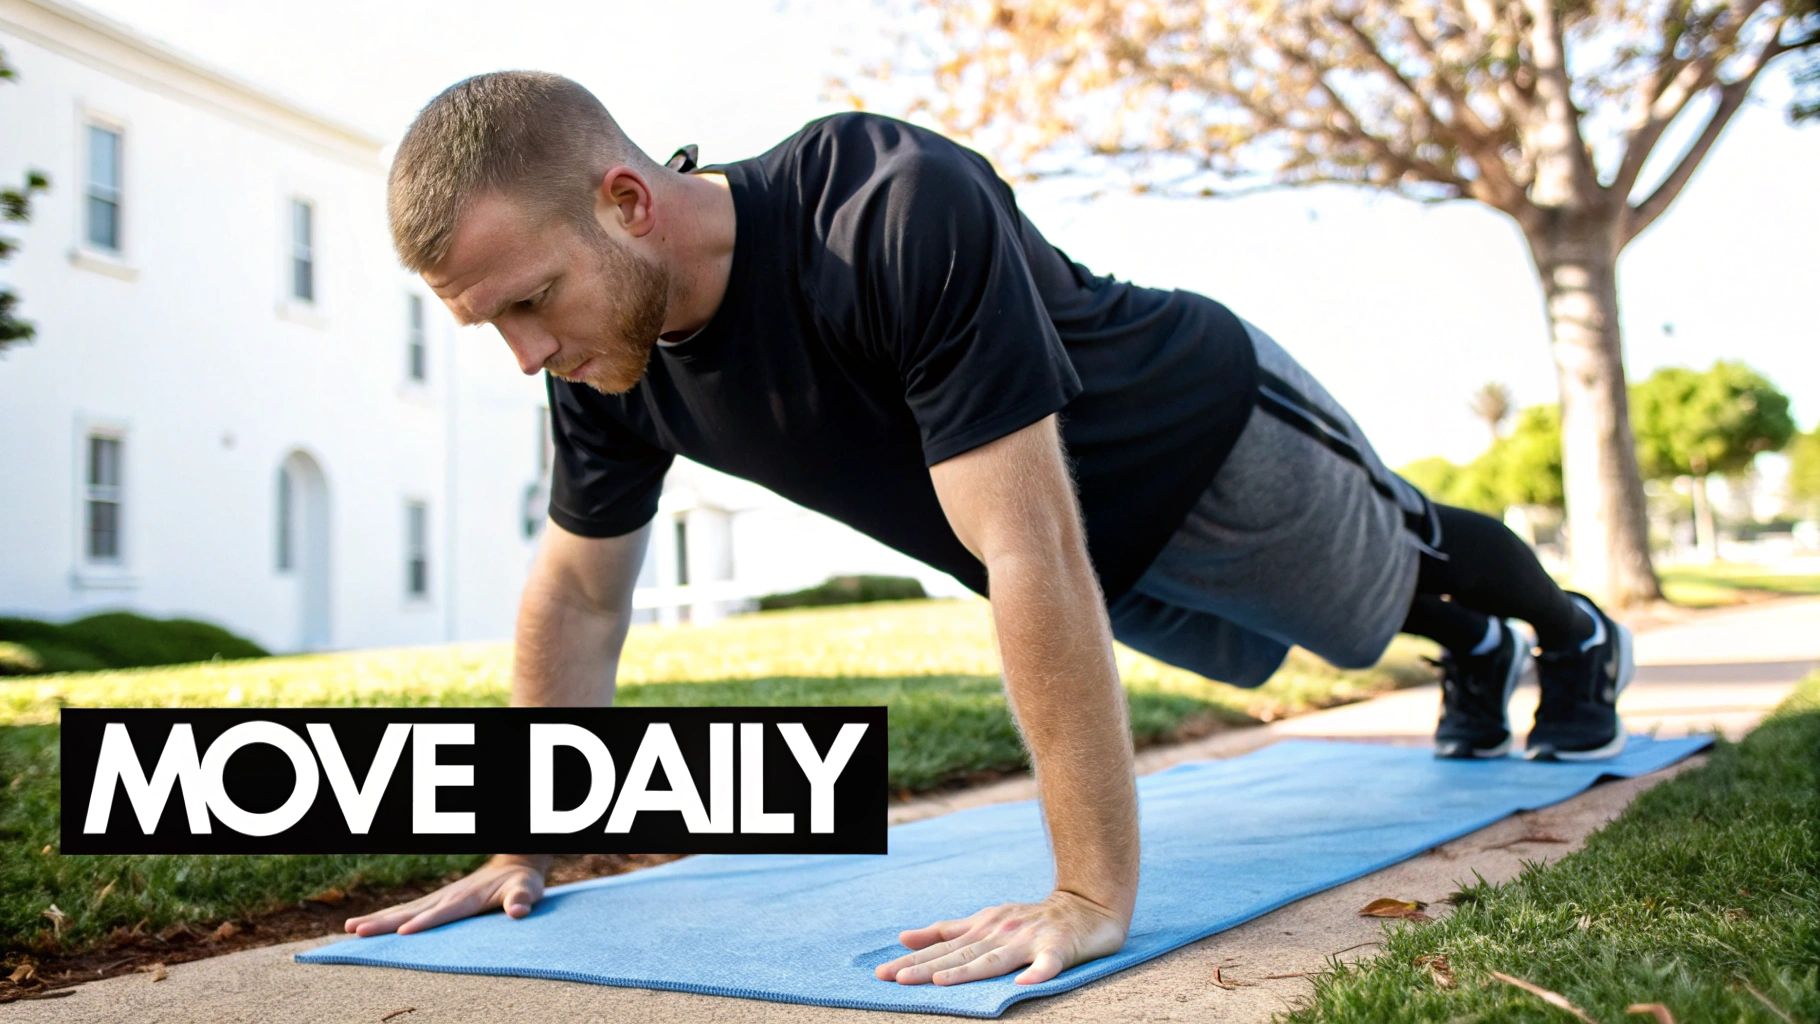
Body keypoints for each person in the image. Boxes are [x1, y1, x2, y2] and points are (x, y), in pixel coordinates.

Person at [346, 71, 1633, 988]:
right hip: (1085, 556)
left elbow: (1025, 546)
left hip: (1198, 437)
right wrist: (527, 833)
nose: (524, 356)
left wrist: (1087, 894)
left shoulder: (879, 204)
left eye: (528, 302)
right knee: (1349, 636)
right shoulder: (604, 368)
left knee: (1394, 567)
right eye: (491, 326)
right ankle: (1468, 655)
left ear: (626, 201)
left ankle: (1564, 632)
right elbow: (577, 596)